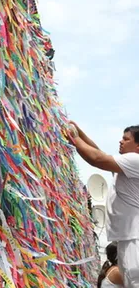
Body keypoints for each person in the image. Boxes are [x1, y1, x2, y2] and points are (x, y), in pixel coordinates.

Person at [67, 122, 139, 288]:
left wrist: (73, 137)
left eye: (126, 139)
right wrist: (79, 132)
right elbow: (99, 153)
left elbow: (97, 158)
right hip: (128, 237)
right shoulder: (127, 168)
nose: (120, 141)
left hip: (134, 237)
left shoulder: (135, 161)